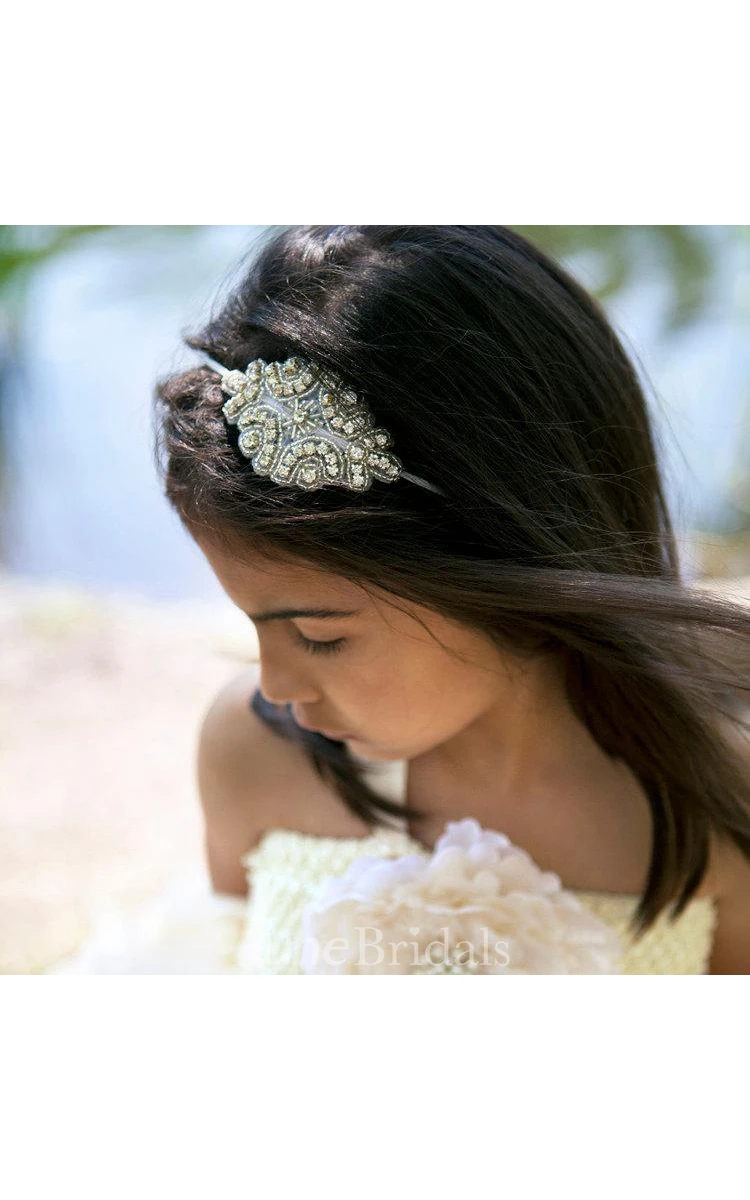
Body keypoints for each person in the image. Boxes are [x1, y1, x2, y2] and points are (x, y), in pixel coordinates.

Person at [54, 225, 750, 974]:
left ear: (507, 557)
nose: (276, 686)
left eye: (319, 635)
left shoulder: (714, 805)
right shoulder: (254, 757)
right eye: (253, 623)